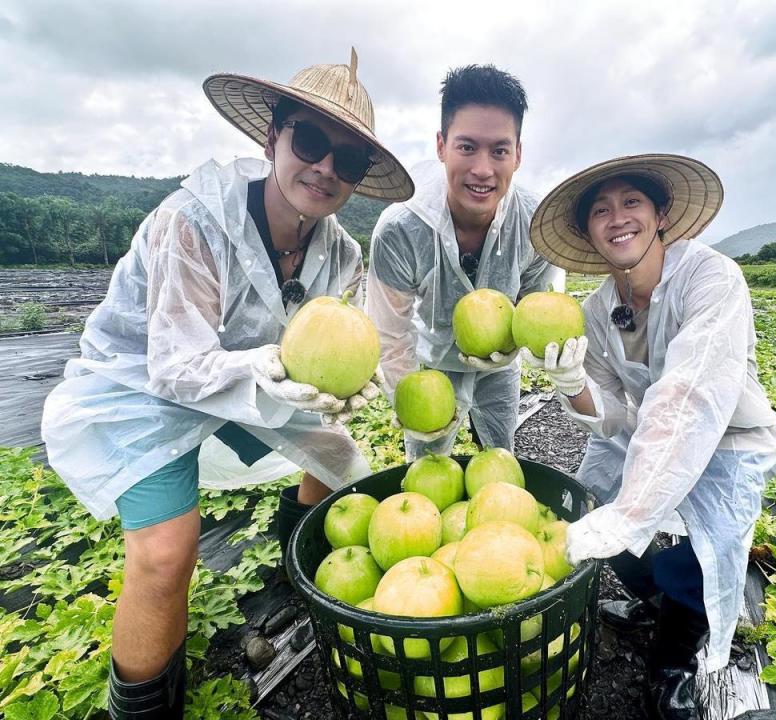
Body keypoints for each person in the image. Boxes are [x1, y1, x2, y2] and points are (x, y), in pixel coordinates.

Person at [40, 50, 413, 719]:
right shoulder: (196, 220)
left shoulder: (342, 254)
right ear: (273, 136)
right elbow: (177, 367)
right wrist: (271, 367)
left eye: (348, 161)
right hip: (143, 390)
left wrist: (358, 381)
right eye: (311, 142)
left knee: (338, 460)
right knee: (164, 556)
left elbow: (329, 349)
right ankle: (145, 709)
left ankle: (298, 573)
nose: (326, 169)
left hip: (260, 379)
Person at [524, 154, 776, 719]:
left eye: (631, 203)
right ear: (589, 232)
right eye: (600, 210)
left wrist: (634, 511)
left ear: (661, 213)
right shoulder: (596, 310)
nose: (617, 218)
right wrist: (572, 385)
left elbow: (690, 395)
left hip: (728, 437)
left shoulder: (710, 278)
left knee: (703, 557)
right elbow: (614, 412)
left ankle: (671, 667)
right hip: (650, 431)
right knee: (594, 511)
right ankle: (655, 604)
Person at [364, 64, 564, 459]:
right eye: (467, 147)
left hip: (500, 365)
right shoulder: (402, 228)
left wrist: (522, 345)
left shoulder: (533, 222)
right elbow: (390, 334)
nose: (483, 169)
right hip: (434, 363)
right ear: (441, 145)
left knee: (501, 456)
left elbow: (535, 302)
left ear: (519, 154)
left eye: (500, 150)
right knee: (427, 466)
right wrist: (411, 399)